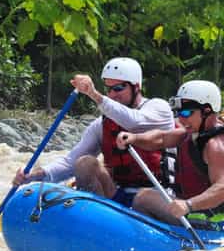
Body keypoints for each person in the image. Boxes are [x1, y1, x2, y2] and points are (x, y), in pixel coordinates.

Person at [116, 80, 224, 231]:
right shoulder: (190, 133)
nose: (181, 119)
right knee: (143, 198)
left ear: (206, 110)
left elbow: (222, 190)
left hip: (222, 220)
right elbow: (161, 138)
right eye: (178, 113)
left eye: (186, 113)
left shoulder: (220, 145)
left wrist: (188, 205)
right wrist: (134, 138)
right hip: (198, 212)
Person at [13, 57, 174, 206]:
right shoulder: (101, 125)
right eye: (109, 89)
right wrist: (32, 176)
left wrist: (93, 94)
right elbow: (70, 162)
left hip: (157, 197)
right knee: (85, 163)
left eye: (118, 88)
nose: (112, 95)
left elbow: (134, 122)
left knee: (142, 199)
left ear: (136, 87)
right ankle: (95, 217)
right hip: (118, 194)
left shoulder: (159, 108)